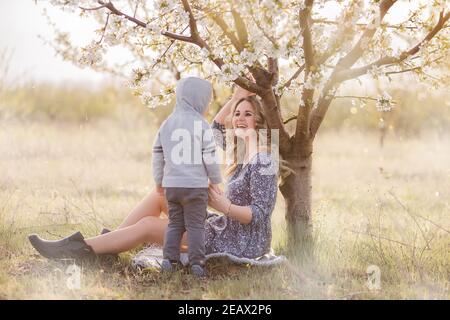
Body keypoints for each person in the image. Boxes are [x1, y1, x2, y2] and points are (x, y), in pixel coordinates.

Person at [28, 84, 278, 268]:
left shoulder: (263, 159)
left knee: (148, 226)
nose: (240, 119)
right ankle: (107, 246)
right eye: (237, 114)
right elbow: (214, 127)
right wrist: (237, 97)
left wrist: (226, 206)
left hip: (239, 241)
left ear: (259, 120)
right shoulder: (241, 154)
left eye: (248, 114)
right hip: (223, 227)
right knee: (161, 195)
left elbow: (260, 214)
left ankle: (77, 250)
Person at [152, 77, 222, 277]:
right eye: (207, 101)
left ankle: (168, 260)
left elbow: (157, 155)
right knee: (195, 226)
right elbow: (210, 156)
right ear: (198, 100)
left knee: (174, 223)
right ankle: (197, 263)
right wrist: (215, 180)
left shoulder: (167, 124)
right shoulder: (202, 125)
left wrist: (159, 182)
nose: (208, 106)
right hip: (195, 187)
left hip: (172, 186)